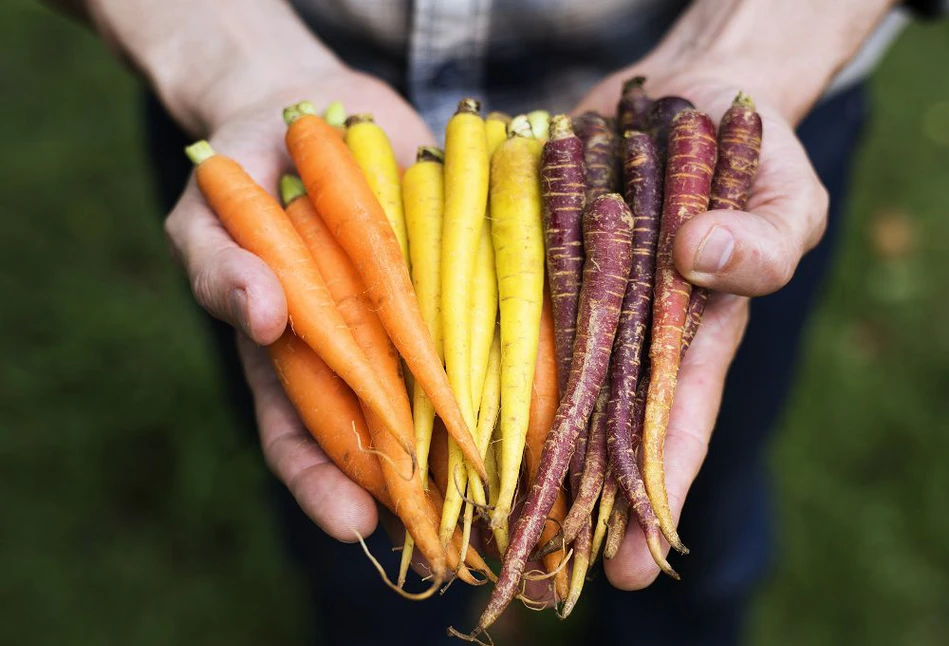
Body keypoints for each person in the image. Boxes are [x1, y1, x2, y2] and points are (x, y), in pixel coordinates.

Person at [51, 1, 947, 643]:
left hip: (710, 112)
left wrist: (755, 42)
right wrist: (223, 52)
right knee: (358, 505)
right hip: (280, 97)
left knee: (693, 502)